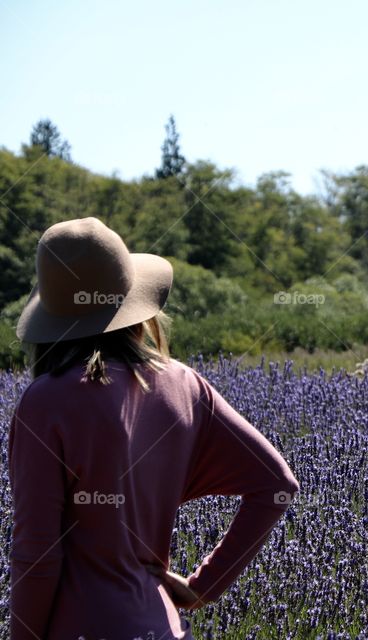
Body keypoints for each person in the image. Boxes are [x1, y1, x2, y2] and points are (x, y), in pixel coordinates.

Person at [7, 217, 300, 639]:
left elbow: (36, 555)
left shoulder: (47, 402)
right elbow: (277, 484)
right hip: (160, 625)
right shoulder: (183, 383)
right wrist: (204, 587)